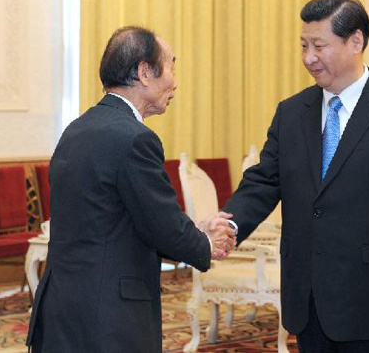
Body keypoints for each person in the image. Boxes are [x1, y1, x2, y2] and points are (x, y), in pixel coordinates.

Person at [223, 0, 369, 352]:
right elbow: (264, 181)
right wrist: (228, 225)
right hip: (310, 302)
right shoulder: (292, 112)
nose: (308, 57)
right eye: (303, 45)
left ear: (355, 41)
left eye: (319, 46)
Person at [26, 26, 236, 353]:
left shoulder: (77, 129)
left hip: (63, 308)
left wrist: (194, 229)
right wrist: (206, 242)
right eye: (171, 66)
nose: (176, 81)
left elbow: (121, 220)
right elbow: (161, 225)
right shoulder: (135, 138)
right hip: (108, 317)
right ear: (144, 73)